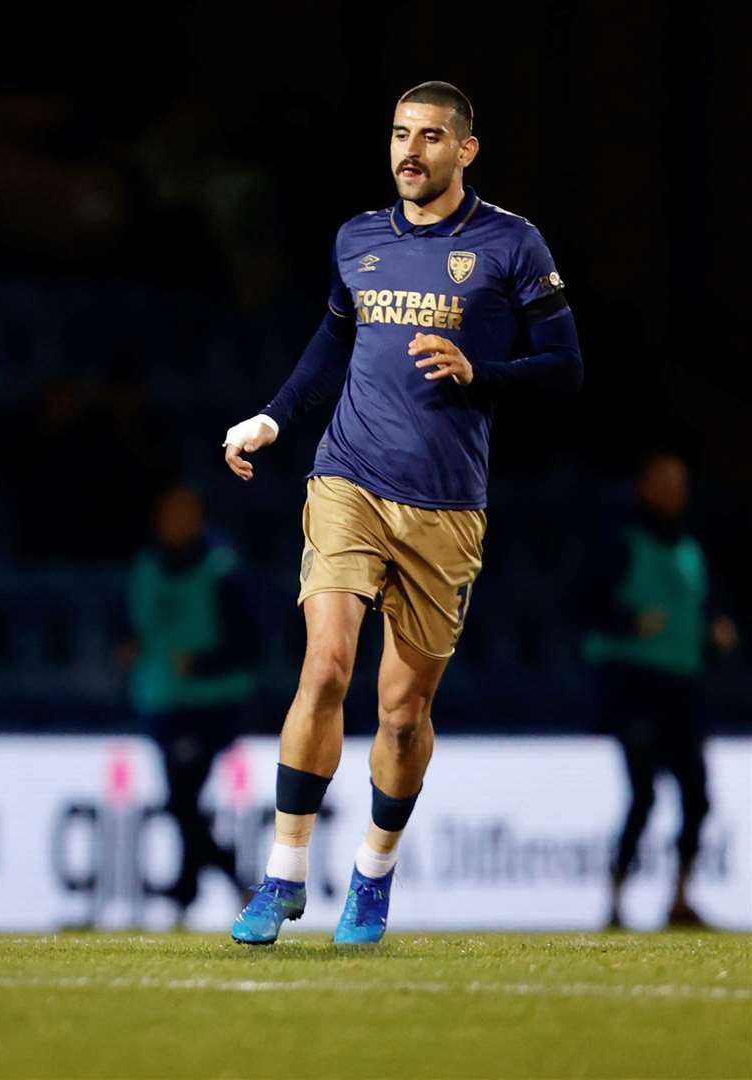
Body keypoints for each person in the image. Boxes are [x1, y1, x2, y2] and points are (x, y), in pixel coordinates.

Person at [220, 81, 583, 944]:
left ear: (465, 150)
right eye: (397, 135)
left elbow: (565, 366)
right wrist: (273, 416)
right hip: (345, 479)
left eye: (428, 137)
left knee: (401, 711)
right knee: (325, 667)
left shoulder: (510, 243)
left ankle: (373, 874)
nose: (408, 152)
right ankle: (281, 876)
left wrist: (479, 370)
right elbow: (333, 339)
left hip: (447, 507)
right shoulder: (358, 239)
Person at [581, 451, 738, 929]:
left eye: (681, 482)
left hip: (682, 687)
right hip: (634, 685)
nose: (675, 491)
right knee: (644, 794)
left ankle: (680, 899)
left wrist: (715, 633)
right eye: (665, 481)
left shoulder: (690, 548)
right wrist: (628, 621)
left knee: (698, 797)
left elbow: (697, 611)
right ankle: (614, 902)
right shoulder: (619, 542)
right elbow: (584, 605)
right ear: (644, 486)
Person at [126, 483, 257, 922]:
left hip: (211, 703)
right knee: (183, 800)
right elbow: (129, 624)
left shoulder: (223, 568)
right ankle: (194, 889)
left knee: (182, 799)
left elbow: (249, 640)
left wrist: (201, 663)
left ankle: (224, 884)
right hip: (161, 702)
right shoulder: (146, 566)